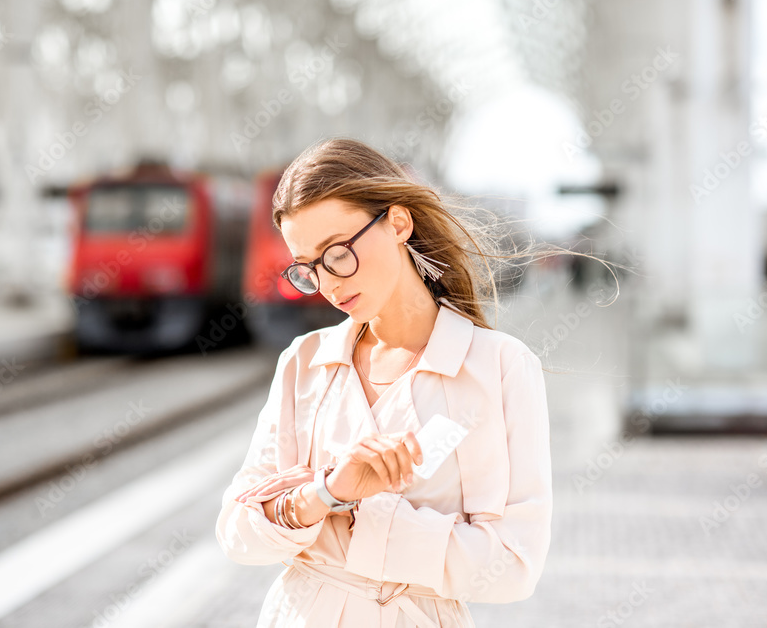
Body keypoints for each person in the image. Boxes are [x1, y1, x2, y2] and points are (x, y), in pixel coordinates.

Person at [215, 137, 566, 627]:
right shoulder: (305, 361)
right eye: (308, 268)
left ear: (399, 222)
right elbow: (236, 531)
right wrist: (330, 492)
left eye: (338, 252)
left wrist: (359, 520)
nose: (329, 284)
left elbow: (514, 565)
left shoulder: (499, 367)